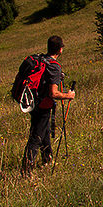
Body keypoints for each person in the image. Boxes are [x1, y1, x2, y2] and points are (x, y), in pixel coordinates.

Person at [21, 35, 75, 175]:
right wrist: (68, 95)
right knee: (36, 137)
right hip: (43, 104)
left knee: (43, 130)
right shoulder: (54, 66)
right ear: (60, 49)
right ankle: (26, 171)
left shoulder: (41, 60)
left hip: (33, 102)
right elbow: (53, 93)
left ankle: (47, 159)